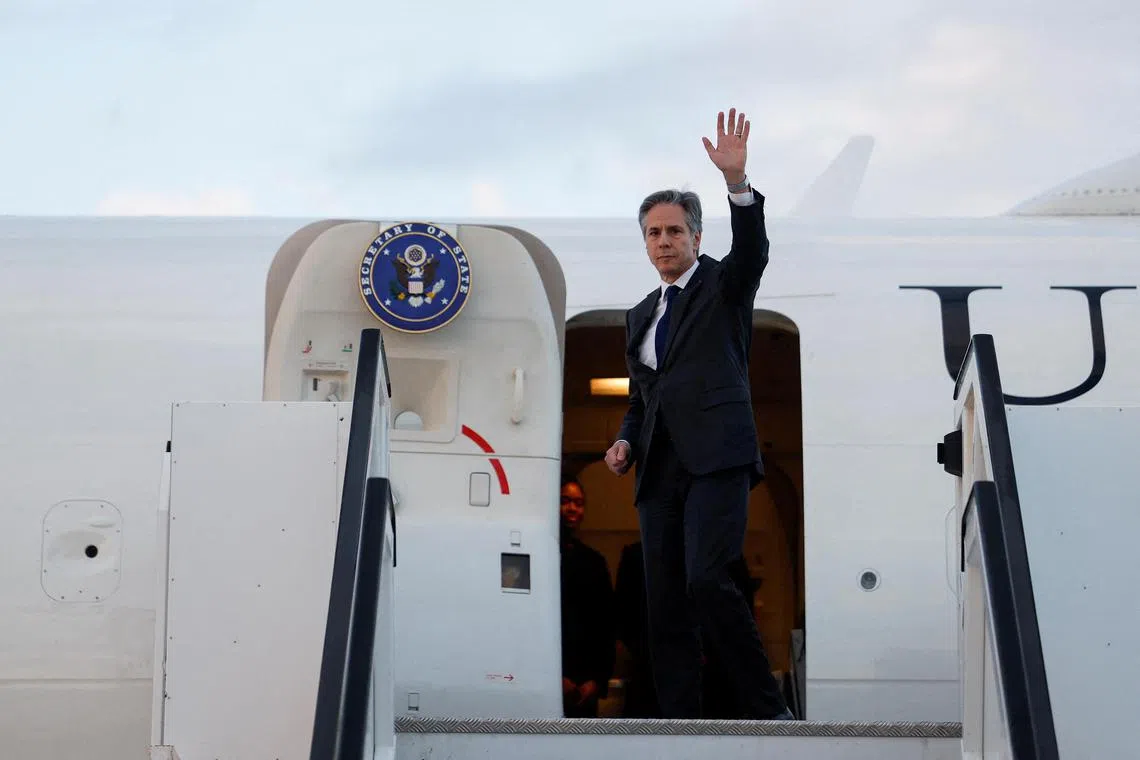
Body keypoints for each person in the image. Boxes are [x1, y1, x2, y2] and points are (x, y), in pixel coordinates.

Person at [604, 108, 793, 720]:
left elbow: (753, 251)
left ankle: (768, 709)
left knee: (708, 580)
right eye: (653, 233)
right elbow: (643, 396)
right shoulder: (640, 314)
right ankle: (679, 721)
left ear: (697, 238)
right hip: (658, 470)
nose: (664, 241)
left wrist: (737, 183)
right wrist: (625, 440)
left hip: (717, 458)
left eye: (674, 231)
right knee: (664, 603)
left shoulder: (722, 286)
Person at [558, 473, 616, 718]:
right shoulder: (541, 556)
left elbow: (606, 626)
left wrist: (597, 680)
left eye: (579, 503)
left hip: (586, 685)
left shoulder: (594, 562)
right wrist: (554, 677)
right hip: (548, 678)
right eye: (565, 501)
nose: (572, 508)